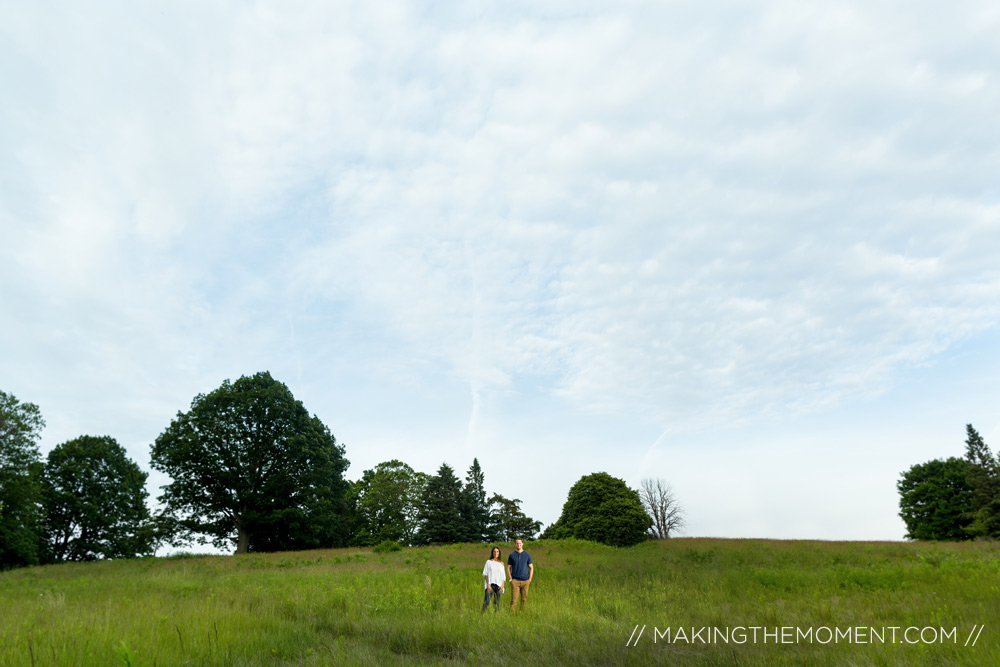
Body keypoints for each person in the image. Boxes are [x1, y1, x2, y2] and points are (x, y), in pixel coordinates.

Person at [506, 538, 533, 611]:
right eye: (517, 543)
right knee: (514, 600)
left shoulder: (527, 555)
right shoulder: (512, 555)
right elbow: (508, 568)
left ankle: (522, 614)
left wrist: (530, 579)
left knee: (524, 600)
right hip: (515, 581)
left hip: (525, 581)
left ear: (522, 544)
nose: (519, 545)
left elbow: (531, 567)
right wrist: (510, 579)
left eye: (520, 543)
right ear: (515, 544)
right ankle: (512, 616)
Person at [482, 546, 506, 613]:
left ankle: (496, 618)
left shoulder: (501, 563)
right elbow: (485, 574)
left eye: (497, 552)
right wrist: (488, 585)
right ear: (492, 553)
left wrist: (502, 586)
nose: (496, 553)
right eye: (494, 552)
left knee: (496, 603)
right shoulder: (488, 562)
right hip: (491, 584)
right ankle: (481, 615)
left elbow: (503, 576)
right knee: (486, 602)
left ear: (499, 553)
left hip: (498, 585)